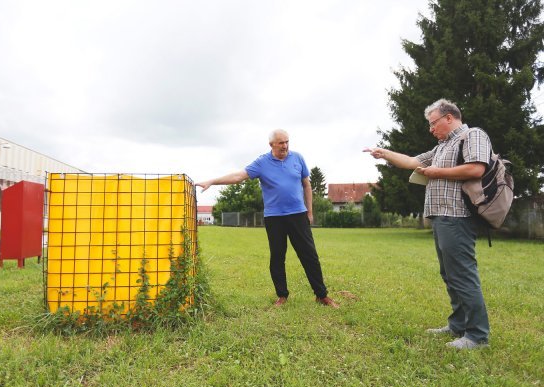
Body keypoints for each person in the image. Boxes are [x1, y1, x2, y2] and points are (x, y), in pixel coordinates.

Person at [364, 98, 490, 350]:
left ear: (449, 118)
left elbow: (477, 169)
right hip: (442, 217)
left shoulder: (472, 135)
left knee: (463, 275)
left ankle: (477, 336)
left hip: (458, 216)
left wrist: (436, 173)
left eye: (433, 123)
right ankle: (458, 324)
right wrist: (384, 153)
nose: (431, 129)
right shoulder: (442, 147)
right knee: (450, 275)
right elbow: (412, 161)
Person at [196, 129, 339, 308]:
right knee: (277, 257)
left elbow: (307, 185)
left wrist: (309, 212)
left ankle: (321, 295)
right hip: (274, 218)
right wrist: (212, 181)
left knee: (309, 255)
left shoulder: (298, 158)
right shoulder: (262, 163)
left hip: (298, 215)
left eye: (287, 142)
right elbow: (238, 176)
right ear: (271, 144)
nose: (285, 146)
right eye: (281, 143)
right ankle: (282, 295)